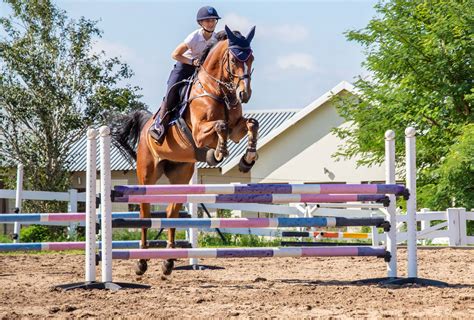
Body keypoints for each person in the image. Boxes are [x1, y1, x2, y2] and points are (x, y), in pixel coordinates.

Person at [149, 6, 221, 143]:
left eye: (213, 20)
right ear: (201, 23)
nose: (211, 23)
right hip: (183, 67)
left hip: (201, 70)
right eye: (207, 21)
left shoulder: (215, 39)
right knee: (172, 91)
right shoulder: (194, 37)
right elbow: (175, 54)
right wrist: (192, 61)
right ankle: (159, 125)